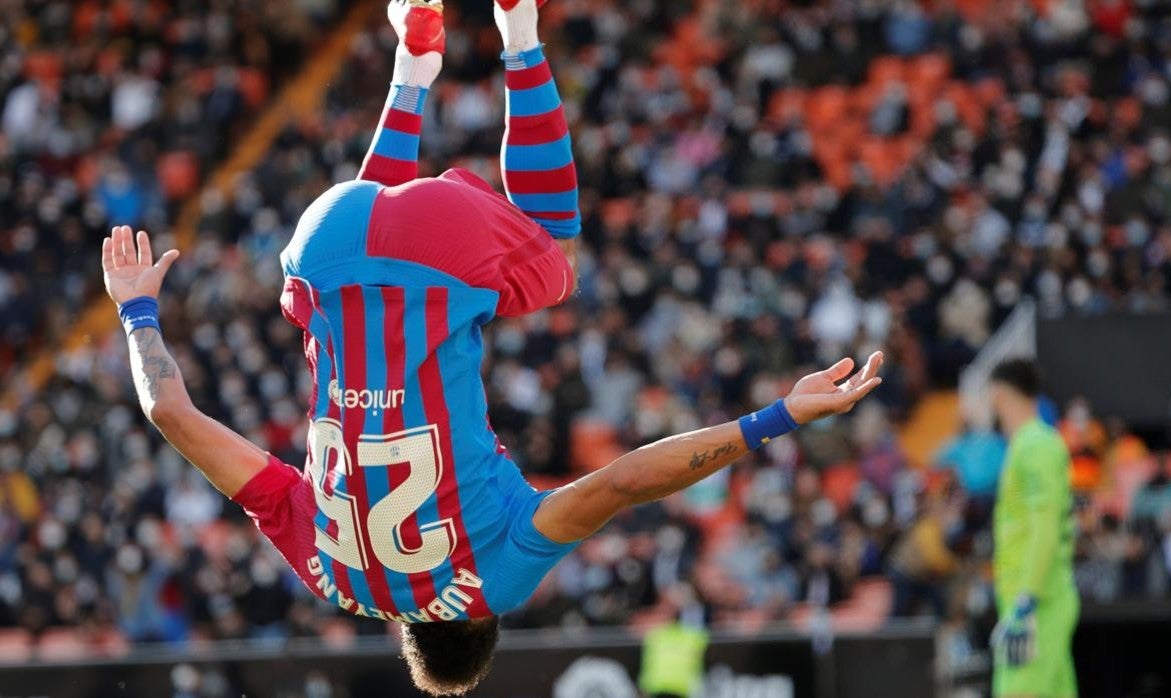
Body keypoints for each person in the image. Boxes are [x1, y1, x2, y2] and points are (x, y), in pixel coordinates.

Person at [100, 1, 887, 695]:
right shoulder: (328, 576)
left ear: (479, 625)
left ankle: (518, 28)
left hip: (437, 248)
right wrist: (138, 312)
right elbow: (168, 409)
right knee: (345, 280)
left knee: (555, 256)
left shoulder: (495, 580)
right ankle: (412, 66)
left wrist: (775, 419)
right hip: (323, 237)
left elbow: (623, 482)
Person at [987, 359, 1079, 698]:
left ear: (997, 394)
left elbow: (1046, 524)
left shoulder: (1036, 445)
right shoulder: (1032, 444)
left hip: (1036, 601)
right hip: (1039, 597)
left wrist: (1026, 599)